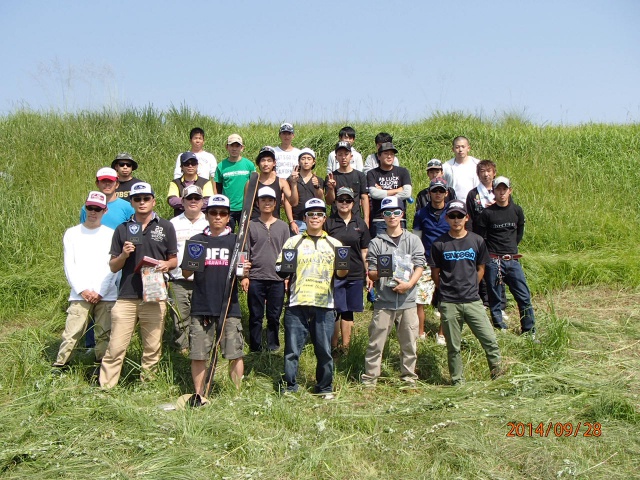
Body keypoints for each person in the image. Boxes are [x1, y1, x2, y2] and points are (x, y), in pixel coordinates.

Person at [99, 182, 178, 388]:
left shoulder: (166, 227)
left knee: (152, 347)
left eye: (146, 198)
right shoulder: (122, 229)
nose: (142, 202)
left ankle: (148, 386)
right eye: (137, 199)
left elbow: (174, 260)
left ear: (153, 200)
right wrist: (125, 254)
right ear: (131, 202)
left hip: (154, 295)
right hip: (127, 295)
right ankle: (106, 386)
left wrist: (165, 264)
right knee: (116, 346)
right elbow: (113, 267)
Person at [276, 198, 348, 399]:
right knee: (292, 350)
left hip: (324, 303)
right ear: (304, 218)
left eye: (319, 214)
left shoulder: (335, 244)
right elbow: (280, 270)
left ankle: (324, 388)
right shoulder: (293, 241)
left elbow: (341, 275)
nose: (314, 217)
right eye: (311, 214)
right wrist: (283, 269)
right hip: (297, 302)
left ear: (324, 218)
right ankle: (289, 387)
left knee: (324, 350)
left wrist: (343, 268)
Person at [430, 200, 503, 385]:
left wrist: (471, 285)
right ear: (447, 218)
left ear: (466, 218)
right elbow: (435, 273)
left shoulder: (476, 241)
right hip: (449, 302)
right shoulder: (439, 244)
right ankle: (458, 382)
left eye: (460, 216)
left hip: (472, 300)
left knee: (490, 340)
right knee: (453, 347)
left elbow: (481, 269)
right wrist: (446, 289)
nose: (456, 220)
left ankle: (498, 374)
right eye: (452, 216)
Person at [182, 195, 245, 400]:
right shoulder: (196, 241)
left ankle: (235, 395)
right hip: (202, 304)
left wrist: (246, 270)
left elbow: (244, 272)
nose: (218, 216)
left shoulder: (238, 241)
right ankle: (199, 394)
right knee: (198, 353)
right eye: (213, 212)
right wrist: (189, 264)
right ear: (207, 215)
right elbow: (185, 274)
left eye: (223, 213)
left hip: (229, 305)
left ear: (228, 217)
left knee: (234, 352)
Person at [363, 197, 425, 387]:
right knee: (376, 343)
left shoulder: (413, 240)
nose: (392, 216)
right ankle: (370, 381)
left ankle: (408, 379)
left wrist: (408, 285)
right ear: (383, 216)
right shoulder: (375, 243)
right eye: (388, 213)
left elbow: (420, 266)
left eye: (396, 212)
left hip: (408, 300)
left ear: (402, 214)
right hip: (384, 300)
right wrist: (385, 270)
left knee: (409, 343)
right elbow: (371, 273)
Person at [52, 192, 118, 372]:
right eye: (90, 208)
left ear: (105, 210)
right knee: (72, 332)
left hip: (106, 293)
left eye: (98, 209)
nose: (93, 212)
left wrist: (101, 291)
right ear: (85, 208)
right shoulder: (72, 233)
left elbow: (113, 267)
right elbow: (69, 265)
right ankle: (61, 366)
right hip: (79, 292)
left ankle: (101, 367)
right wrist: (82, 290)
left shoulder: (111, 234)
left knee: (104, 334)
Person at [477, 176, 537, 337]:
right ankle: (499, 327)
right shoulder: (487, 213)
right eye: (498, 189)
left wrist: (510, 251)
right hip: (493, 260)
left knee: (523, 296)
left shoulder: (517, 210)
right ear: (494, 191)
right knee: (495, 297)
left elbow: (519, 234)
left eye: (505, 189)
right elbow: (481, 238)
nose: (502, 192)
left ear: (510, 190)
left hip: (512, 259)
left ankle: (529, 330)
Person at [241, 187, 290, 352]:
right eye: (263, 200)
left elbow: (287, 253)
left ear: (276, 203)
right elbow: (244, 251)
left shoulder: (283, 227)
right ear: (257, 203)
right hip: (255, 277)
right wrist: (244, 276)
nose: (267, 203)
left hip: (277, 278)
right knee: (255, 316)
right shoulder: (250, 225)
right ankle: (255, 347)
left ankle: (273, 346)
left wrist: (287, 277)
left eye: (270, 200)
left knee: (274, 316)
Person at [324, 187, 371, 353]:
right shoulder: (328, 223)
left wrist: (368, 273)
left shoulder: (360, 224)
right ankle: (333, 346)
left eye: (348, 200)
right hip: (334, 274)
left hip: (356, 273)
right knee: (336, 309)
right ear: (335, 202)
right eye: (341, 200)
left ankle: (346, 347)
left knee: (349, 311)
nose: (344, 203)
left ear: (353, 203)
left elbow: (365, 250)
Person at [168, 185, 208, 353]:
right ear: (182, 202)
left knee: (202, 316)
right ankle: (183, 349)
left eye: (196, 198)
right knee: (180, 316)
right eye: (189, 198)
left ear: (202, 202)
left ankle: (202, 347)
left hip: (203, 279)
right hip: (178, 278)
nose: (193, 201)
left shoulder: (209, 222)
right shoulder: (172, 224)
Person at [413, 177, 452, 344]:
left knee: (446, 300)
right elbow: (417, 239)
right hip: (427, 262)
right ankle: (420, 332)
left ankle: (441, 334)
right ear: (429, 193)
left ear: (446, 193)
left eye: (441, 191)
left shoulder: (453, 213)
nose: (438, 194)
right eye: (435, 190)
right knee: (420, 300)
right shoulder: (421, 214)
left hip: (448, 262)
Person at [465, 159, 508, 312]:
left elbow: (510, 212)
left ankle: (501, 304)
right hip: (479, 237)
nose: (486, 174)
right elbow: (468, 217)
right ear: (478, 174)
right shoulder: (473, 194)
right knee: (481, 268)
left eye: (488, 171)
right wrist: (469, 237)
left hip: (498, 239)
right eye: (482, 171)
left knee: (499, 271)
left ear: (494, 173)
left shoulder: (502, 191)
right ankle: (485, 301)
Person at [367, 142, 412, 237]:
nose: (389, 156)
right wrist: (396, 190)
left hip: (399, 218)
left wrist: (383, 192)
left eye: (392, 154)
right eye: (386, 153)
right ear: (379, 156)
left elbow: (407, 193)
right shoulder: (372, 173)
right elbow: (374, 193)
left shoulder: (403, 171)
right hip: (379, 219)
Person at [214, 134, 256, 231]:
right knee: (227, 235)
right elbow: (217, 186)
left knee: (246, 235)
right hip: (228, 208)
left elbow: (254, 185)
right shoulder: (221, 166)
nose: (234, 148)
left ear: (242, 148)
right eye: (232, 145)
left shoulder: (249, 165)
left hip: (245, 208)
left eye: (237, 146)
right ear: (227, 147)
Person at [325, 141, 369, 226]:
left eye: (346, 154)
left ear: (351, 156)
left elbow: (364, 197)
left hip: (355, 218)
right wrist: (331, 188)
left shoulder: (360, 175)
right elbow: (329, 202)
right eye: (340, 154)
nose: (343, 157)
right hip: (336, 219)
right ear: (336, 157)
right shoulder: (331, 177)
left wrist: (366, 219)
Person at [250, 146, 299, 220]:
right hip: (255, 224)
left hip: (274, 223)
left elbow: (294, 203)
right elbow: (246, 208)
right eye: (263, 160)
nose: (266, 164)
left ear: (274, 163)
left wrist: (294, 184)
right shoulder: (251, 183)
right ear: (258, 163)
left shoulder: (281, 182)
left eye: (269, 160)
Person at [285, 148, 324, 235]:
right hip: (297, 221)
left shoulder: (318, 180)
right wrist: (291, 221)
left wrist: (317, 186)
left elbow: (320, 198)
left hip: (314, 220)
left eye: (309, 159)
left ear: (313, 162)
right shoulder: (291, 179)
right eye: (303, 158)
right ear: (299, 162)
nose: (306, 161)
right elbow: (287, 201)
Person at [167, 152, 214, 217]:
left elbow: (208, 202)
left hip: (202, 219)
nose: (190, 166)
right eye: (186, 164)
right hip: (180, 219)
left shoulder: (206, 182)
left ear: (197, 165)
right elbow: (172, 201)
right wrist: (196, 203)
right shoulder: (175, 183)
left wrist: (185, 203)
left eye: (193, 163)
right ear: (181, 167)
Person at [443, 136, 480, 202]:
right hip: (453, 206)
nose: (460, 150)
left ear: (468, 148)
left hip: (474, 203)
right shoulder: (446, 166)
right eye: (457, 147)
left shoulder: (477, 164)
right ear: (453, 149)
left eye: (463, 147)